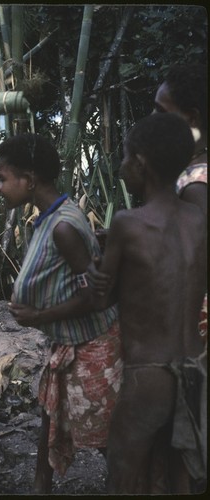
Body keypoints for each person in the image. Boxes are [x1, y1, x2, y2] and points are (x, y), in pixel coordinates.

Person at [0, 133, 122, 494]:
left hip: (91, 346)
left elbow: (95, 298)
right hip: (68, 343)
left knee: (104, 434)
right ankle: (41, 487)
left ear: (30, 180)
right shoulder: (48, 220)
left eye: (3, 178)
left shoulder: (63, 227)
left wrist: (38, 316)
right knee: (49, 417)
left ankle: (129, 485)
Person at [92, 112, 207, 494]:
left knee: (123, 474)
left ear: (140, 162)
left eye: (125, 156)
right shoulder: (199, 220)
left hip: (149, 375)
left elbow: (102, 298)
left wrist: (94, 269)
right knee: (181, 480)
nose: (122, 165)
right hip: (195, 368)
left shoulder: (127, 223)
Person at [153, 63, 207, 343]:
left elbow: (195, 263)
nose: (153, 118)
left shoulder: (196, 183)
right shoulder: (189, 172)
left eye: (161, 111)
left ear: (191, 118)